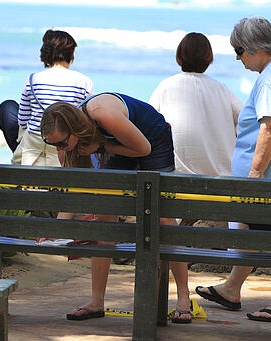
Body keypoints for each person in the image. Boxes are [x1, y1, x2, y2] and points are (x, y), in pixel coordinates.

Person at [195, 17, 271, 324]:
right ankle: (232, 288)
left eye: (238, 50)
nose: (237, 58)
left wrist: (254, 176)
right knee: (254, 230)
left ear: (254, 48)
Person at [40, 93, 192, 324]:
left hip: (150, 139)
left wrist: (102, 145)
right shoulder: (71, 140)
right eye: (52, 145)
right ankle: (96, 301)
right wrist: (59, 230)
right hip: (113, 142)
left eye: (61, 143)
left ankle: (183, 297)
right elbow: (75, 187)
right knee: (104, 217)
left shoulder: (103, 114)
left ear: (74, 129)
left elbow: (143, 149)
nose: (59, 149)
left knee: (163, 218)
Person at [149, 32, 242, 176]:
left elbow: (149, 124)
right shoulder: (222, 89)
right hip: (223, 177)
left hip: (179, 177)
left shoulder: (166, 86)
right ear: (209, 58)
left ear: (179, 57)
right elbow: (246, 121)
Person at [0, 29, 93, 165]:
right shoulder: (84, 82)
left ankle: (21, 152)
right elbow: (85, 121)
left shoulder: (33, 79)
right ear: (71, 54)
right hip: (64, 146)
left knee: (8, 107)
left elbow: (23, 120)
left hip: (33, 145)